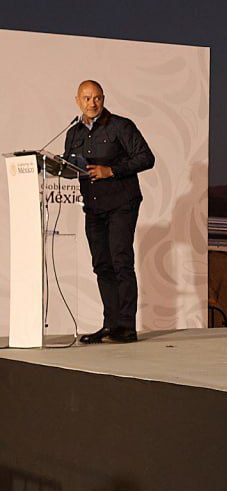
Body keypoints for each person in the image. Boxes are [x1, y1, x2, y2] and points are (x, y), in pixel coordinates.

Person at [67, 80, 156, 344]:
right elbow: (70, 165)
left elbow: (146, 158)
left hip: (121, 203)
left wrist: (111, 171)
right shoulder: (73, 133)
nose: (92, 103)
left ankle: (126, 327)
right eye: (86, 98)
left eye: (97, 98)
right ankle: (110, 325)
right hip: (94, 206)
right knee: (102, 264)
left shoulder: (121, 126)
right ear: (77, 101)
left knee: (120, 261)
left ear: (103, 99)